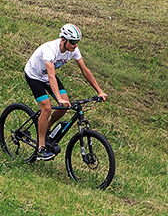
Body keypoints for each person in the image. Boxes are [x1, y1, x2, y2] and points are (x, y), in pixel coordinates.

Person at [23, 23, 107, 161]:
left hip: (47, 76)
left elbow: (85, 71)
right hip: (34, 76)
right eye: (73, 42)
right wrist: (58, 98)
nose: (75, 45)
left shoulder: (74, 50)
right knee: (46, 107)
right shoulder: (50, 49)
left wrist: (99, 91)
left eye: (77, 42)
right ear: (63, 40)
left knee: (65, 106)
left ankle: (46, 128)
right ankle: (40, 148)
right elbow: (51, 76)